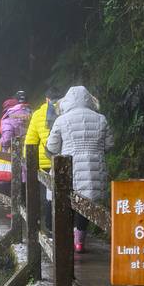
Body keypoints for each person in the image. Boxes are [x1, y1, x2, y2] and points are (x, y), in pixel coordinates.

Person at [46, 86, 113, 253]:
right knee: (87, 204)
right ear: (89, 99)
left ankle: (66, 240)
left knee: (66, 201)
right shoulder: (101, 119)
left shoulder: (61, 120)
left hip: (68, 169)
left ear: (67, 101)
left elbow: (52, 147)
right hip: (94, 169)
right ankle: (80, 242)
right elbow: (110, 145)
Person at [24, 86, 62, 232]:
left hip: (44, 160)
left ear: (47, 99)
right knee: (64, 194)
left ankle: (50, 227)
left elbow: (31, 140)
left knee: (48, 195)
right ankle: (65, 226)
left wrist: (26, 160)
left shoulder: (39, 114)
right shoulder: (65, 111)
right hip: (64, 160)